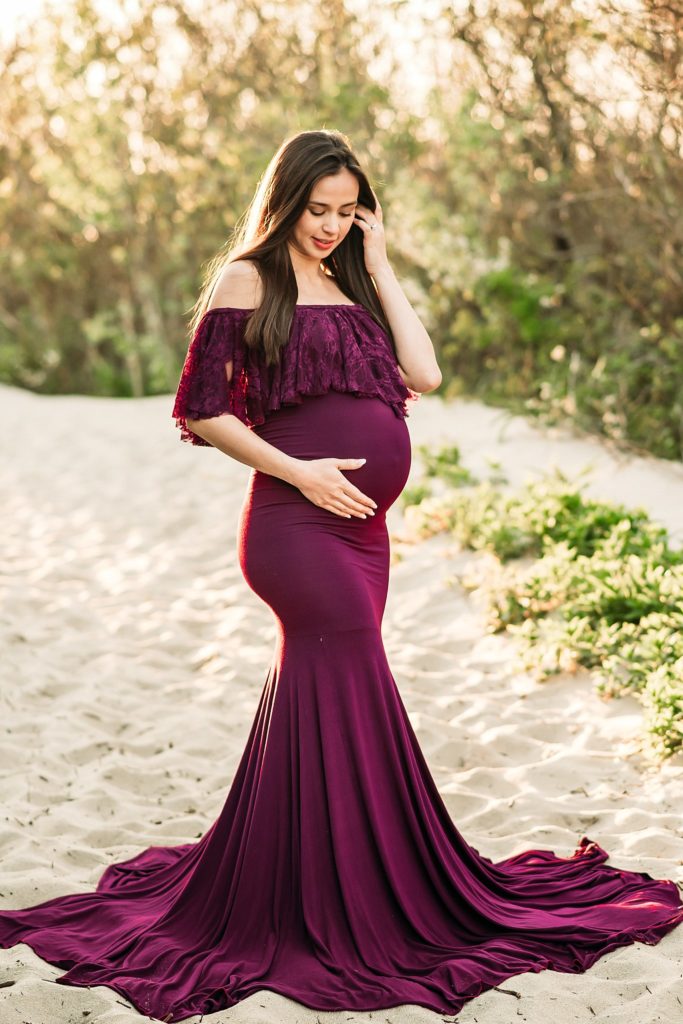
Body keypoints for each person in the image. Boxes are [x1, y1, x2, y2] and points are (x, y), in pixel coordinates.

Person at [1, 129, 682, 1023]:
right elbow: (202, 410)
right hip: (295, 526)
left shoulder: (351, 280)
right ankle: (347, 892)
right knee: (351, 676)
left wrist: (382, 262)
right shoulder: (247, 278)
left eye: (345, 210)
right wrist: (300, 471)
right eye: (316, 209)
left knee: (329, 696)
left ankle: (315, 870)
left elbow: (426, 374)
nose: (328, 226)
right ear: (284, 201)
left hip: (364, 533)